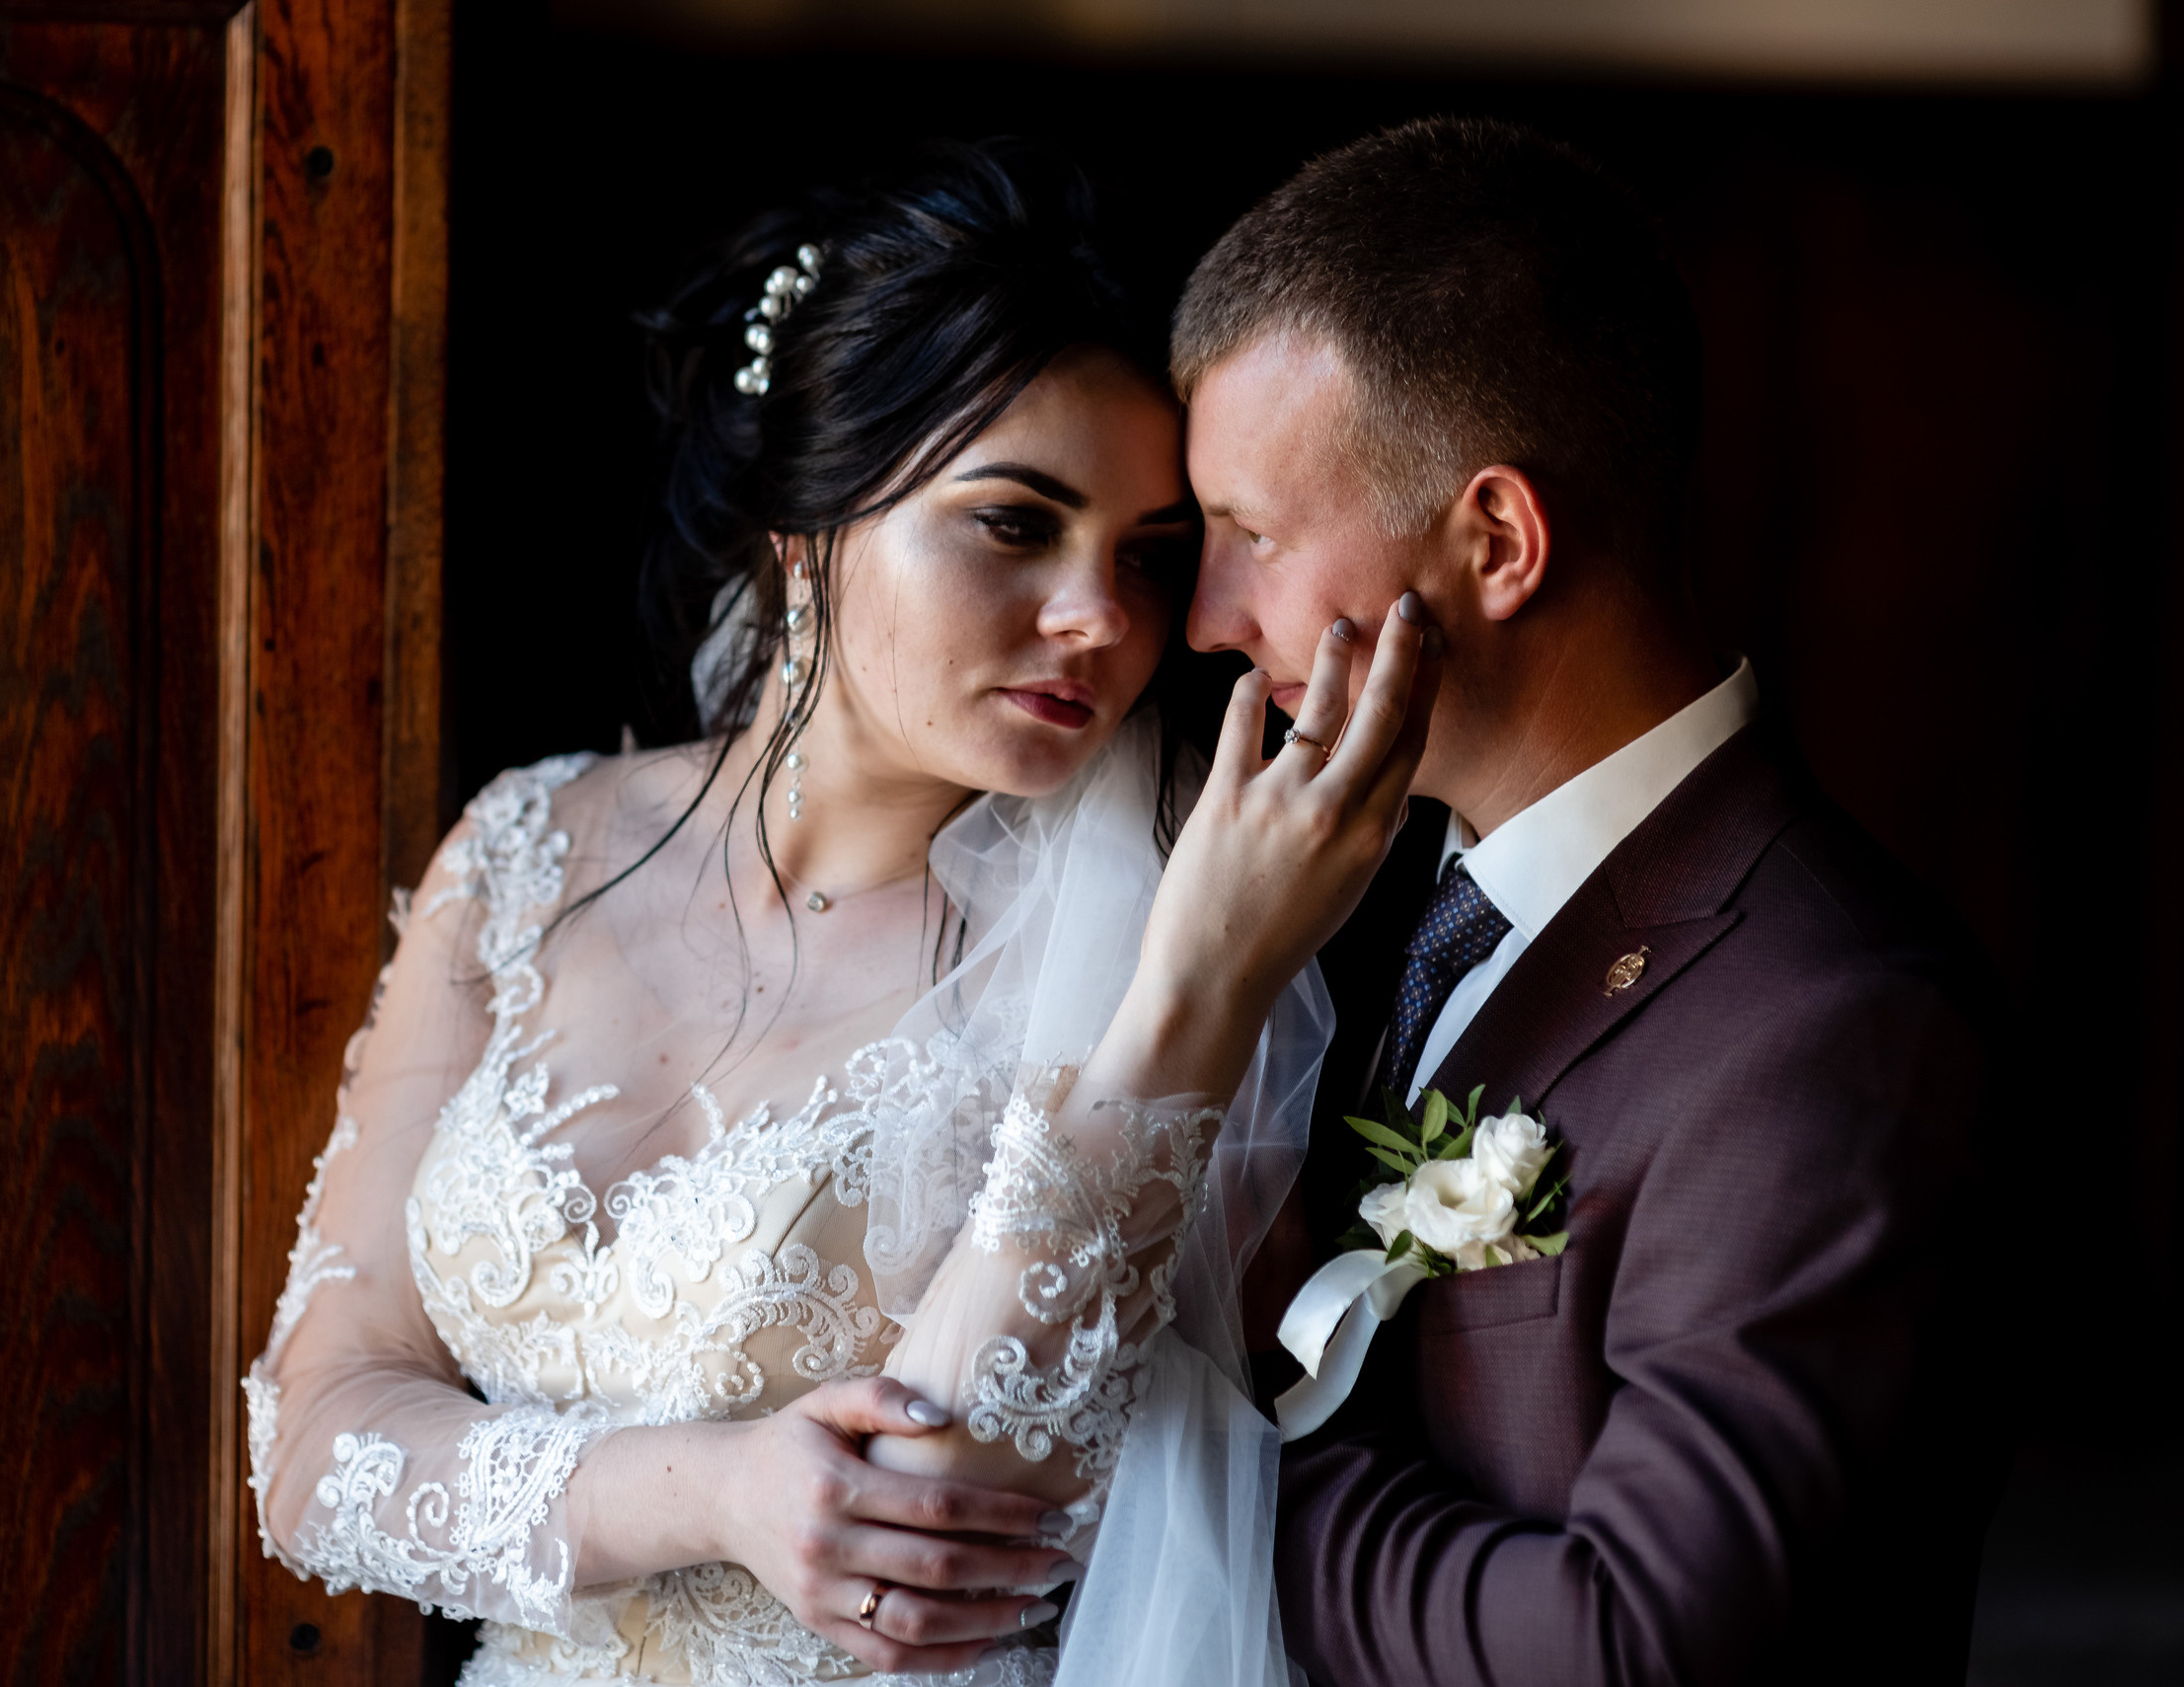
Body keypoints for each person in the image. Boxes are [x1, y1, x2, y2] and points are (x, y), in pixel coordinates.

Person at [244, 138, 1439, 1687]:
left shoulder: (1154, 923)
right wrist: (719, 1489)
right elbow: (318, 1430)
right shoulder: (525, 849)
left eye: (1150, 556)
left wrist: (1198, 994)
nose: (1104, 618)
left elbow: (942, 1519)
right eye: (1017, 522)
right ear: (806, 530)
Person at [1172, 117, 2005, 1685]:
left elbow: (1634, 1646)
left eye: (1254, 535)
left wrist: (1212, 1455)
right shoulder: (1376, 900)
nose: (1211, 617)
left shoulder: (1832, 1027)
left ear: (1496, 539)